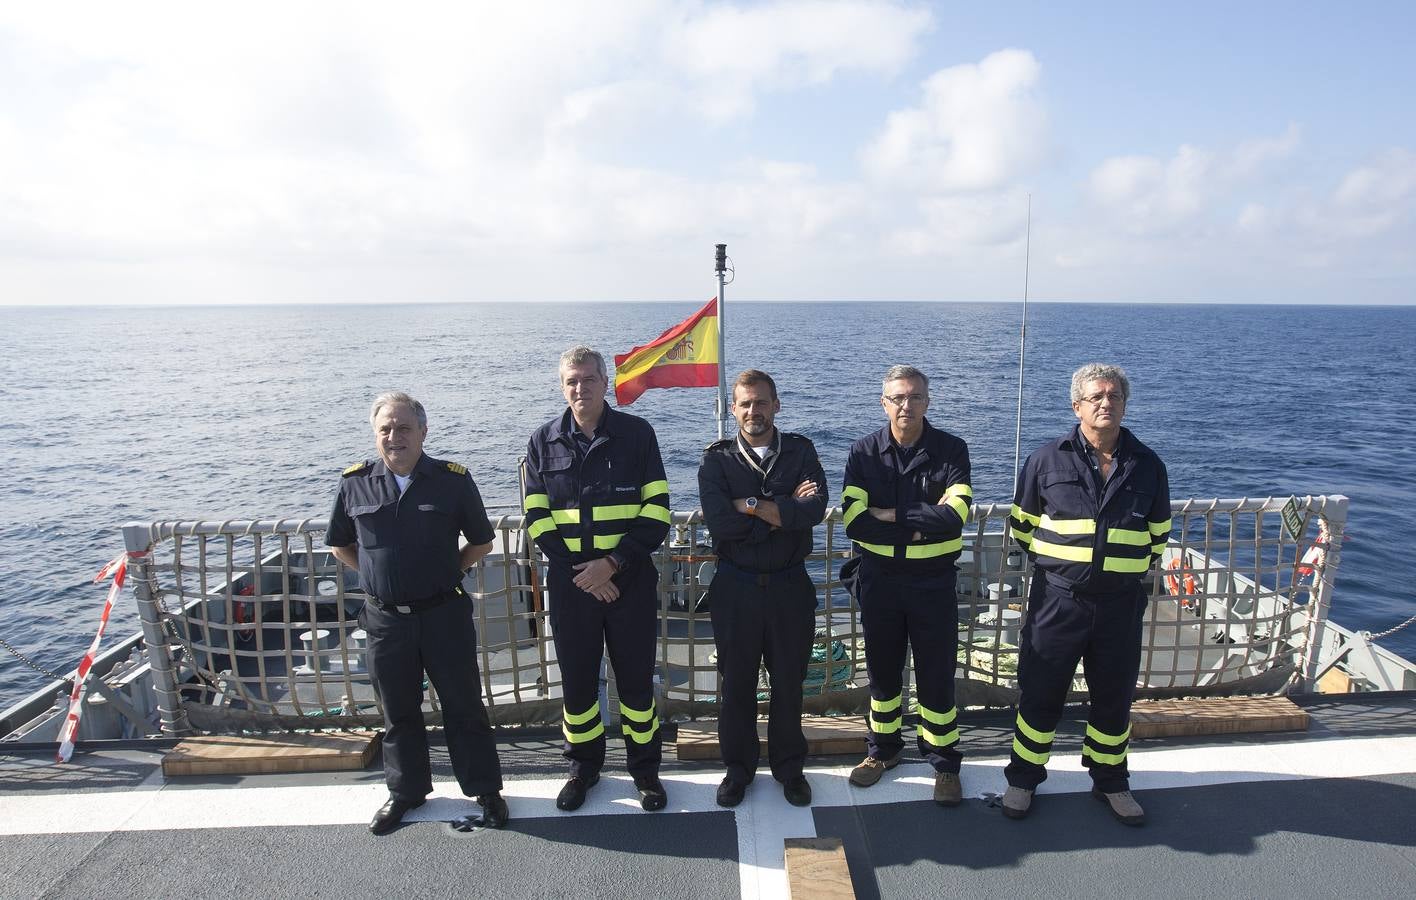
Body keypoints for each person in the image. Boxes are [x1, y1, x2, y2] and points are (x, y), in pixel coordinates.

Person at [326, 391, 508, 835]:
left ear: (423, 432)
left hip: (443, 613)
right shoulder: (354, 483)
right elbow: (340, 544)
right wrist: (376, 577)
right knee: (397, 709)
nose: (394, 437)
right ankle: (405, 792)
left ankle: (485, 790)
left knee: (464, 704)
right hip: (386, 619)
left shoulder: (453, 480)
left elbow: (481, 542)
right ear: (375, 435)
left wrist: (450, 570)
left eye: (404, 428)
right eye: (385, 429)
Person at [1003, 363, 1172, 826]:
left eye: (1114, 396)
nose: (1105, 403)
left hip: (1119, 604)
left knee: (1114, 698)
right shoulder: (1046, 459)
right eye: (1096, 396)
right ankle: (1022, 780)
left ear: (1124, 405)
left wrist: (1118, 572)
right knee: (1040, 693)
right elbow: (1023, 525)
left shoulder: (1148, 465)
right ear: (1076, 405)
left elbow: (1158, 536)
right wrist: (1065, 567)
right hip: (1058, 601)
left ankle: (1111, 781)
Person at [523, 346, 671, 812]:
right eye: (572, 380)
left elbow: (658, 510)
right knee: (579, 687)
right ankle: (583, 769)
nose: (580, 388)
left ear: (605, 382)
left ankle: (645, 772)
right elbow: (536, 516)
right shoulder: (541, 442)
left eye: (588, 378)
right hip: (572, 588)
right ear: (562, 385)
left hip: (628, 583)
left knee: (635, 685)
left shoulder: (637, 435)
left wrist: (611, 565)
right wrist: (581, 573)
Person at [840, 365, 973, 806]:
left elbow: (955, 518)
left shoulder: (952, 450)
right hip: (880, 582)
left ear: (927, 401)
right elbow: (855, 522)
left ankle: (944, 761)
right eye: (897, 397)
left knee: (937, 677)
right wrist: (921, 522)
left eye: (914, 397)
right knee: (882, 674)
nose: (906, 405)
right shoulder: (863, 453)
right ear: (884, 403)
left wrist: (892, 514)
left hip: (933, 585)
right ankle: (883, 751)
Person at [698, 370, 828, 809]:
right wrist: (781, 513)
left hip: (790, 586)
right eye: (745, 404)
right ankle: (738, 770)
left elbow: (813, 511)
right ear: (733, 409)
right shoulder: (716, 461)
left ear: (777, 405)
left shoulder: (801, 451)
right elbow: (721, 524)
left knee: (789, 682)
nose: (754, 411)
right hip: (736, 587)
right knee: (736, 684)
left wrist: (750, 506)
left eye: (762, 402)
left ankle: (790, 768)